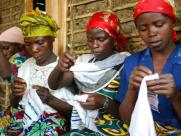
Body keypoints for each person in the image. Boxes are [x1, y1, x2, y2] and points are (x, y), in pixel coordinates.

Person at [48, 11, 130, 135]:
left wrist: (104, 102)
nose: (94, 45)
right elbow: (54, 84)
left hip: (114, 130)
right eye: (90, 40)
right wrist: (59, 68)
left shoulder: (125, 65)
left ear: (114, 40)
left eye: (101, 39)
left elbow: (130, 114)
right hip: (84, 128)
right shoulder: (84, 63)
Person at [117, 0, 181, 135]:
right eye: (143, 29)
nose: (152, 33)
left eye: (159, 25)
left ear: (172, 22)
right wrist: (132, 90)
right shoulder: (131, 63)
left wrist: (176, 97)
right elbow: (126, 120)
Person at [9, 8, 74, 136]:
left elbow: (73, 113)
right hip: (23, 116)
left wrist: (49, 99)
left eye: (40, 42)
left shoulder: (63, 67)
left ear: (52, 39)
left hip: (51, 121)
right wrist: (16, 94)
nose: (34, 49)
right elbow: (14, 104)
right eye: (28, 44)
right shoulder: (26, 65)